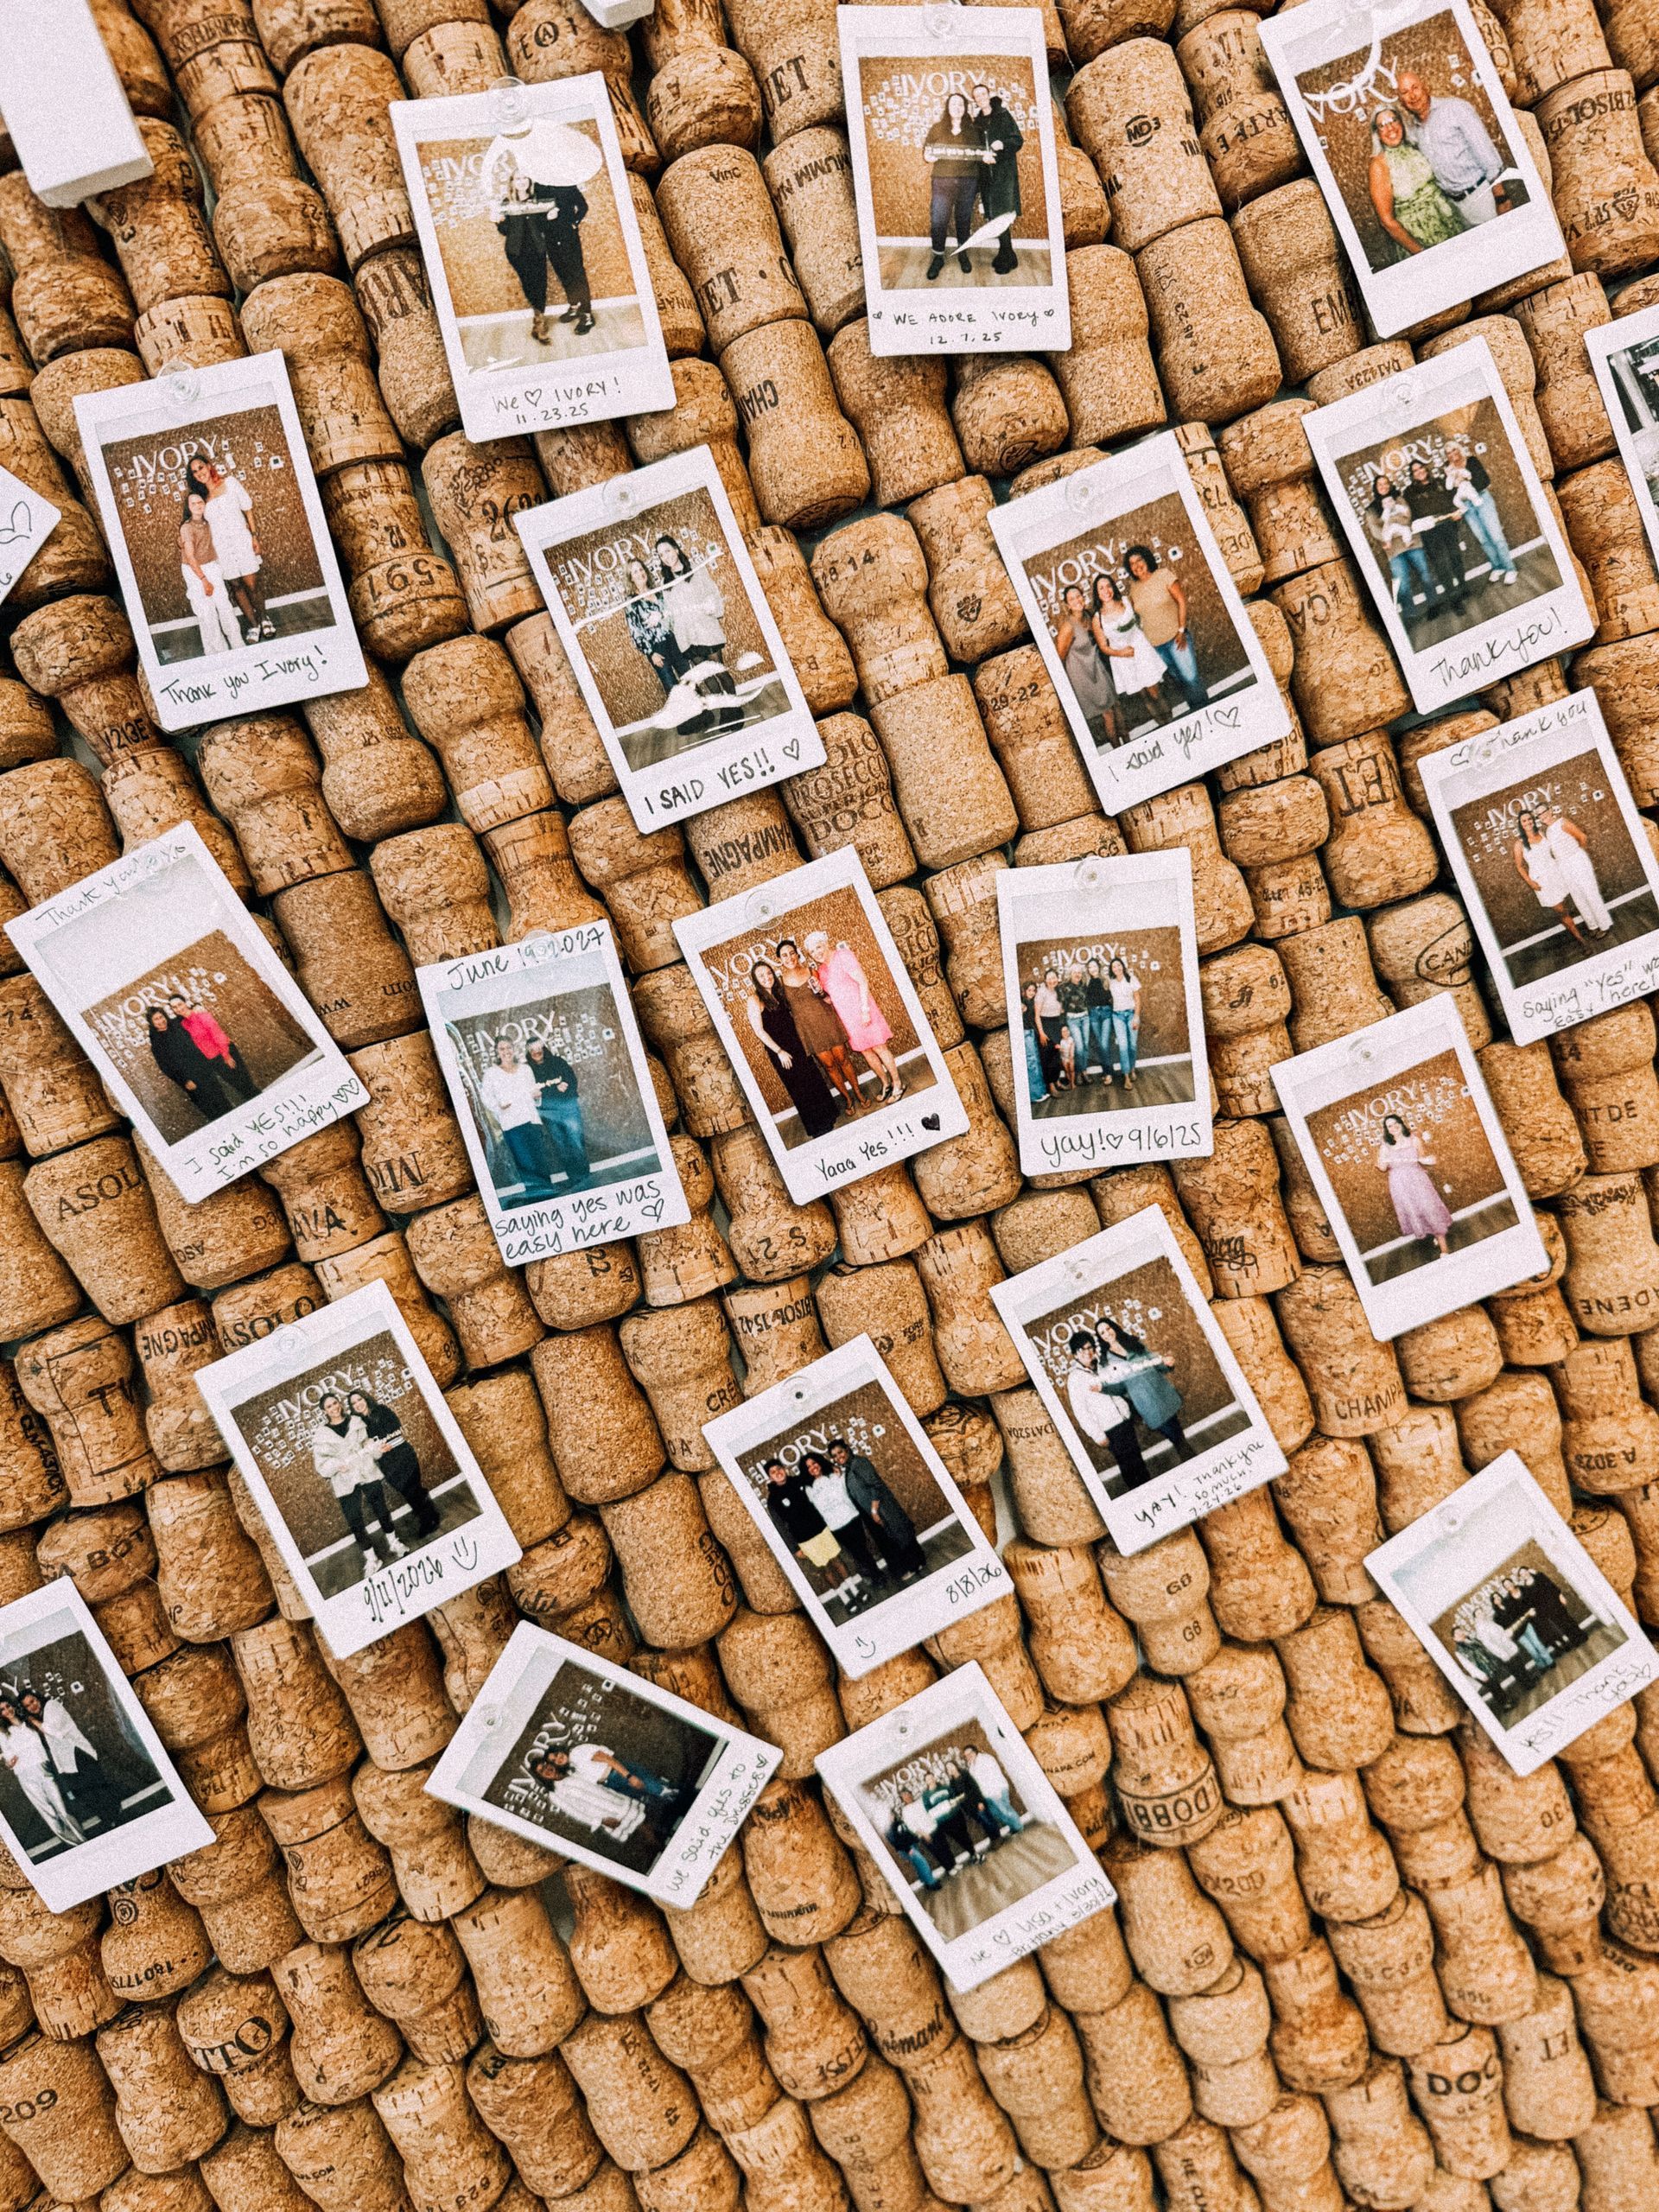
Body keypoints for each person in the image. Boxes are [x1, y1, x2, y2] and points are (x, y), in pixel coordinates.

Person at [483, 115, 600, 343]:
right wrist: (499, 219)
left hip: (567, 236)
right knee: (562, 273)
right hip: (549, 241)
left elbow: (582, 207)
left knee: (576, 273)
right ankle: (574, 306)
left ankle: (586, 314)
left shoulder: (567, 183)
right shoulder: (539, 188)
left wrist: (570, 221)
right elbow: (521, 220)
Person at [1398, 68, 1508, 228]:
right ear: (1401, 101)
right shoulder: (1415, 130)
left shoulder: (1455, 109)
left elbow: (1485, 152)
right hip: (1456, 208)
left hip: (1483, 197)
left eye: (1415, 88)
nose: (1413, 96)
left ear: (1425, 87)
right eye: (1405, 92)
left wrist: (1501, 197)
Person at [805, 930, 904, 1103]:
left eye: (818, 947)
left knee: (880, 1047)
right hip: (848, 1019)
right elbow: (831, 999)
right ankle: (886, 1084)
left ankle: (898, 1084)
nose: (817, 953)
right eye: (812, 951)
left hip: (863, 1010)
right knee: (866, 1052)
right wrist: (820, 993)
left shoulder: (843, 956)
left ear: (826, 944)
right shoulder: (822, 971)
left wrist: (865, 1010)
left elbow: (863, 981)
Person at [747, 960, 841, 1139]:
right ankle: (817, 1127)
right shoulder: (754, 999)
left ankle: (829, 1115)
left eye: (768, 973)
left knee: (812, 1080)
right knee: (799, 1088)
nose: (767, 977)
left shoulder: (779, 992)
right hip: (781, 1051)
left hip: (797, 1044)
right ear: (756, 980)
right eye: (761, 976)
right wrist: (779, 1052)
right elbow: (759, 1031)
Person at [311, 1392, 403, 1568]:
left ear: (339, 1404)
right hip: (344, 1480)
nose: (334, 1408)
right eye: (329, 1406)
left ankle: (394, 1543)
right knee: (354, 1520)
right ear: (324, 1411)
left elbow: (367, 1443)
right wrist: (337, 1465)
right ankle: (372, 1559)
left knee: (381, 1509)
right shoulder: (321, 1435)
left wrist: (375, 1448)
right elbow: (321, 1463)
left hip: (366, 1470)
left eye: (335, 1403)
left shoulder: (356, 1422)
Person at [656, 534, 739, 727]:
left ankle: (735, 707)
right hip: (686, 637)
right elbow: (669, 614)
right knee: (707, 676)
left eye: (667, 551)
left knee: (719, 671)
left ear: (676, 549)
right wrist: (660, 619)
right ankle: (725, 711)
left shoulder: (697, 570)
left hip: (706, 631)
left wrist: (711, 605)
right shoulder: (665, 584)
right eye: (661, 555)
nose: (666, 556)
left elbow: (712, 593)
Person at [775, 938, 862, 1116]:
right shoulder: (780, 983)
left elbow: (825, 996)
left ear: (797, 954)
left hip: (827, 1021)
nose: (789, 958)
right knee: (829, 1066)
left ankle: (858, 1093)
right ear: (779, 959)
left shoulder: (811, 971)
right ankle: (848, 1099)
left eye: (792, 953)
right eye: (784, 955)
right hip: (808, 1029)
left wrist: (821, 991)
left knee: (843, 1059)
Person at [1367, 102, 1466, 257]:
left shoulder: (1415, 147)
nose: (1390, 128)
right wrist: (1421, 252)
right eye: (1382, 125)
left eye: (1393, 120)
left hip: (1449, 222)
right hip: (1418, 238)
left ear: (1401, 123)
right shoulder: (1378, 165)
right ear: (1377, 133)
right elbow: (1387, 221)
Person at [186, 455, 267, 644]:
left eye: (201, 467)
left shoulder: (230, 483)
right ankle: (254, 624)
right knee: (236, 586)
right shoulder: (200, 498)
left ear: (208, 466)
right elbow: (196, 523)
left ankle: (264, 619)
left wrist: (254, 536)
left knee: (252, 585)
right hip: (220, 549)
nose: (199, 473)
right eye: (195, 472)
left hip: (242, 541)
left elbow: (248, 509)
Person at [536, 1741, 682, 1847]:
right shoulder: (555, 1794)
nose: (548, 1768)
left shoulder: (574, 1761)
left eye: (548, 1764)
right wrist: (600, 1821)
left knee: (646, 1817)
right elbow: (575, 1812)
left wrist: (628, 1777)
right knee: (643, 1831)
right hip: (604, 1813)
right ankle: (666, 1847)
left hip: (616, 1796)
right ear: (541, 1777)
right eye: (543, 1770)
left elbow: (605, 1759)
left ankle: (676, 1831)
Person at [20, 1689, 124, 1835]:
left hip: (78, 1752)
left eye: (33, 1701)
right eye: (27, 1706)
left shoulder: (51, 1706)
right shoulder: (40, 1718)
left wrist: (36, 1722)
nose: (32, 1706)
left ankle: (116, 1818)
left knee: (96, 1788)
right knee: (84, 1794)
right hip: (66, 1762)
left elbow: (56, 1732)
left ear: (38, 1698)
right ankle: (109, 1820)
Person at [348, 1387, 442, 1545]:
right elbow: (367, 1446)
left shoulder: (382, 1411)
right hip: (387, 1463)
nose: (358, 1404)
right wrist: (375, 1448)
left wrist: (386, 1444)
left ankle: (429, 1519)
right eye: (354, 1403)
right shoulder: (360, 1424)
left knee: (414, 1489)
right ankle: (429, 1516)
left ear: (365, 1399)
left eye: (359, 1399)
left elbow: (398, 1430)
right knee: (406, 1492)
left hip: (403, 1455)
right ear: (352, 1408)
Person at [761, 1457, 861, 1599]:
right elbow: (780, 1527)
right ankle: (845, 1599)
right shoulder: (772, 1500)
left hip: (822, 1529)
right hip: (805, 1540)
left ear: (784, 1469)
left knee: (837, 1561)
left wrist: (832, 1469)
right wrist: (794, 1548)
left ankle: (855, 1591)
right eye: (773, 1472)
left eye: (779, 1469)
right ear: (770, 1477)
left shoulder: (799, 1480)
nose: (778, 1473)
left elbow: (817, 1473)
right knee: (825, 1568)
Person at [829, 1436, 926, 1581]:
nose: (839, 1457)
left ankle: (913, 1566)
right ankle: (912, 1565)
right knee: (890, 1540)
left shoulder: (859, 1463)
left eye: (840, 1452)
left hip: (880, 1509)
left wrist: (874, 1511)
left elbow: (875, 1485)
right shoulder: (849, 1469)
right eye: (835, 1456)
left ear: (847, 1449)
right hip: (870, 1512)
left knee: (896, 1536)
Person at [1096, 1316, 1191, 1465]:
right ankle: (1191, 1460)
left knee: (1179, 1436)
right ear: (1100, 1337)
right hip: (1146, 1404)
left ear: (1114, 1327)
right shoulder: (1106, 1361)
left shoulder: (1133, 1343)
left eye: (1108, 1328)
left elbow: (1155, 1363)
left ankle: (1190, 1460)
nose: (1107, 1333)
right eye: (1102, 1332)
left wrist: (1168, 1364)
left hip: (1162, 1393)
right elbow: (1120, 1388)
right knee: (1176, 1438)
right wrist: (1103, 1388)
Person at [1125, 546, 1208, 714]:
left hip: (1176, 638)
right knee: (1179, 680)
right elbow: (1137, 615)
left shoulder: (1163, 575)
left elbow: (1181, 601)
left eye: (1139, 560)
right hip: (1156, 646)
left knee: (1190, 678)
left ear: (1147, 559)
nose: (1136, 565)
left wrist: (1181, 630)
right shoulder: (1134, 588)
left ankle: (1206, 711)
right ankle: (1196, 711)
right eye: (1132, 564)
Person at [1512, 807, 1613, 944]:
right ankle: (1593, 926)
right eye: (1539, 815)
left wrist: (1577, 855)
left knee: (1590, 893)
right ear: (1521, 824)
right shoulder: (1544, 832)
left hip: (1574, 862)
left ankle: (1604, 925)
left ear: (1550, 811)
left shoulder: (1561, 823)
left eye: (1530, 818)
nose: (1542, 816)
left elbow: (1582, 838)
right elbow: (1520, 865)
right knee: (1578, 897)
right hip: (1559, 869)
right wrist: (1530, 882)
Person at [1065, 1330, 1151, 1490]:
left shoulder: (1102, 1365)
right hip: (1109, 1429)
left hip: (1124, 1420)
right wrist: (1097, 1435)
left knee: (1138, 1459)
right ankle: (1138, 1493)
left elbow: (1118, 1387)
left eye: (1089, 1347)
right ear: (1075, 1355)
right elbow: (1081, 1412)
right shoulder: (1075, 1379)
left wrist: (1127, 1411)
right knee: (1127, 1465)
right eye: (1081, 1350)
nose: (1087, 1353)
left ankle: (1150, 1489)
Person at [0, 1697, 84, 1851]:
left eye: (8, 1706)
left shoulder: (28, 1722)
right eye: (2, 1710)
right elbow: (7, 1756)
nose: (7, 1710)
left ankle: (82, 1840)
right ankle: (73, 1844)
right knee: (48, 1813)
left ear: (13, 1706)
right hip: (25, 1774)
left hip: (43, 1769)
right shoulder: (3, 1733)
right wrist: (9, 1762)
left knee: (61, 1808)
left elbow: (49, 1733)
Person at [1090, 571, 1172, 730]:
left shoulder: (1127, 601)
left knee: (1155, 691)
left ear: (1113, 587)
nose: (1106, 591)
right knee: (1143, 695)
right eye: (1101, 588)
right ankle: (1163, 727)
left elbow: (1143, 616)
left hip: (1141, 650)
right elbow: (1103, 647)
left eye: (1108, 586)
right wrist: (1121, 653)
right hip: (1122, 659)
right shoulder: (1097, 618)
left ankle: (1171, 723)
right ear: (1097, 593)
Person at [800, 1449, 887, 1589]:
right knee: (856, 1552)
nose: (813, 1467)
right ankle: (873, 1574)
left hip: (851, 1517)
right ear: (806, 1471)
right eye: (808, 1467)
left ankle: (876, 1576)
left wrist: (837, 1471)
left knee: (862, 1549)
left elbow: (846, 1492)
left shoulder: (835, 1475)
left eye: (814, 1463)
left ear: (820, 1463)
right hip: (835, 1526)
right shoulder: (808, 1489)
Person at [922, 92, 985, 281]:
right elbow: (927, 153)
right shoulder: (937, 128)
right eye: (953, 104)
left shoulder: (974, 130)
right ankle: (938, 258)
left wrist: (987, 156)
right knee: (938, 220)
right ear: (947, 108)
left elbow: (980, 155)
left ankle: (963, 254)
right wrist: (929, 156)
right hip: (942, 182)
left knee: (963, 220)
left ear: (965, 108)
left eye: (960, 105)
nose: (957, 108)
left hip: (968, 181)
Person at [480, 1036, 557, 1192]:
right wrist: (498, 1106)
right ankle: (536, 1193)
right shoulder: (491, 1073)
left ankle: (548, 1189)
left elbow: (534, 1091)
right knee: (524, 1161)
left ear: (514, 1049)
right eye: (502, 1049)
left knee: (539, 1157)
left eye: (509, 1047)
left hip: (531, 1119)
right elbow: (486, 1098)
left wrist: (537, 1096)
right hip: (511, 1123)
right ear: (497, 1052)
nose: (506, 1051)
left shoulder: (525, 1069)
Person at [146, 1005, 242, 1124]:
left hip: (204, 1071)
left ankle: (236, 1124)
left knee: (222, 1100)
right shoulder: (157, 1043)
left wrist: (197, 1007)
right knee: (210, 1108)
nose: (161, 1021)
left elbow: (187, 1014)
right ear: (152, 1023)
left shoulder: (177, 1026)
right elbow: (165, 1067)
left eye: (161, 1017)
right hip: (191, 1081)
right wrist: (184, 1081)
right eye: (156, 1019)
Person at [1376, 1110, 1452, 1255]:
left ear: (1401, 1124)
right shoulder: (1385, 1146)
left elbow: (1421, 1158)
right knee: (1415, 1211)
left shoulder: (1414, 1140)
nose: (1393, 1127)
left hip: (1418, 1179)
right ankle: (1436, 1234)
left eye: (1395, 1123)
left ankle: (1444, 1249)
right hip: (1399, 1184)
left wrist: (1428, 1160)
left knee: (1430, 1208)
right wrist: (1380, 1161)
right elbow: (1383, 1167)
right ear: (1387, 1130)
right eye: (1389, 1126)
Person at [1055, 582, 1121, 747]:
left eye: (1078, 596)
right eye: (1072, 599)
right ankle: (1118, 749)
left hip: (1096, 668)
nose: (1077, 600)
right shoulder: (1068, 627)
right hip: (1081, 674)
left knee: (1115, 706)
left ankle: (1126, 743)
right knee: (1108, 712)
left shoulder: (1089, 617)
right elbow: (1059, 657)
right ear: (1067, 605)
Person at [179, 487, 243, 655]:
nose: (198, 506)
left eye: (200, 502)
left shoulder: (209, 522)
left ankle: (237, 644)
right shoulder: (186, 528)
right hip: (194, 572)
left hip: (212, 566)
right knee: (207, 613)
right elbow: (190, 557)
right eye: (193, 503)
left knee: (224, 607)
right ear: (188, 507)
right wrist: (204, 580)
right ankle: (218, 651)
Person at [1444, 443, 1516, 585]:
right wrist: (1452, 479)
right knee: (1483, 539)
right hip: (1466, 506)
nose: (1452, 454)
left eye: (1453, 450)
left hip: (1482, 499)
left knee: (1496, 537)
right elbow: (1450, 491)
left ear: (1458, 449)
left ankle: (1510, 569)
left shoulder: (1471, 461)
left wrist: (1465, 479)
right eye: (1448, 453)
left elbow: (1485, 481)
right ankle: (1498, 567)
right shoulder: (1449, 470)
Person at [969, 83, 1023, 275]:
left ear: (988, 94)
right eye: (977, 96)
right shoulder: (977, 122)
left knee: (1002, 214)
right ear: (975, 100)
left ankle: (1006, 256)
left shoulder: (1003, 115)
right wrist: (981, 157)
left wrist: (1003, 144)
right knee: (994, 215)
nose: (981, 98)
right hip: (987, 176)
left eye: (983, 94)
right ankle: (1008, 253)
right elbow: (976, 149)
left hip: (1003, 175)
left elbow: (1018, 140)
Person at [526, 1037, 591, 1188]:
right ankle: (574, 1178)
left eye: (539, 1048)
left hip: (568, 1108)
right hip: (549, 1114)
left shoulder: (558, 1062)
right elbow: (531, 1094)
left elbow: (572, 1081)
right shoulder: (527, 1071)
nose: (537, 1052)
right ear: (528, 1052)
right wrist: (556, 1089)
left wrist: (554, 1090)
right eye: (533, 1050)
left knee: (576, 1142)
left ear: (544, 1048)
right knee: (560, 1146)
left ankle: (585, 1176)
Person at [1367, 473, 1433, 615]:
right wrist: (1395, 526)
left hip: (1413, 543)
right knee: (1402, 584)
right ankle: (1410, 614)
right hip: (1394, 551)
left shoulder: (1399, 499)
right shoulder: (1372, 509)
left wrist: (1390, 526)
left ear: (1390, 485)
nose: (1384, 486)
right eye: (1380, 484)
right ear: (1375, 488)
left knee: (1425, 574)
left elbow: (1407, 519)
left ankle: (1434, 605)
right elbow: (1376, 532)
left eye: (1386, 483)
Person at [174, 994, 258, 1106]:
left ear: (185, 1003)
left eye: (180, 1004)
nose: (179, 1008)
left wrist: (226, 1056)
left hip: (225, 1053)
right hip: (214, 1060)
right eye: (174, 1007)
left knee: (246, 1085)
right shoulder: (183, 1024)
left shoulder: (201, 1015)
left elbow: (218, 1035)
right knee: (240, 1088)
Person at [1403, 458, 1466, 607]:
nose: (1419, 472)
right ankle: (1454, 599)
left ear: (1425, 468)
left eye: (1421, 468)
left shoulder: (1439, 482)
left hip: (1448, 525)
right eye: (1415, 471)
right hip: (1429, 532)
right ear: (1412, 475)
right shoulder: (1409, 492)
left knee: (1455, 556)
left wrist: (1456, 512)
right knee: (1441, 564)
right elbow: (1411, 514)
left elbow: (1451, 499)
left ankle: (1463, 587)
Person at [623, 556, 684, 702]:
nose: (640, 573)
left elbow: (672, 614)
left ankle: (703, 713)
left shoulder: (658, 591)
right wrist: (651, 653)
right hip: (656, 649)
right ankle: (685, 717)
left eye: (641, 569)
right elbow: (635, 632)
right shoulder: (632, 602)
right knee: (673, 690)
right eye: (635, 572)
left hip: (674, 641)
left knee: (688, 680)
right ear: (631, 578)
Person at [963, 1746, 1024, 1838]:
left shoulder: (986, 1759)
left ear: (975, 1751)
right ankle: (1013, 1827)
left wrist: (997, 1792)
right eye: (966, 1755)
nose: (968, 1756)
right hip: (987, 1795)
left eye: (970, 1753)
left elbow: (995, 1775)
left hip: (997, 1790)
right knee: (997, 1813)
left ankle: (1019, 1827)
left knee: (1005, 1811)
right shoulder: (971, 1767)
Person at [894, 1791, 947, 1888]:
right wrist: (923, 1834)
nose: (907, 1797)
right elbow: (911, 1826)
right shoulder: (905, 1811)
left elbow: (930, 1812)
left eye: (907, 1794)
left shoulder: (920, 1801)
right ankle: (949, 1868)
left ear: (911, 1794)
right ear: (902, 1800)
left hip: (934, 1827)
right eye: (904, 1797)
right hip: (925, 1834)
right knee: (937, 1852)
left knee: (945, 1847)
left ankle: (953, 1864)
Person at [1103, 955, 1141, 1090]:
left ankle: (1132, 1069)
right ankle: (1126, 1077)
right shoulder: (1111, 982)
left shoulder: (1131, 979)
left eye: (1119, 965)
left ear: (1123, 966)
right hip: (1117, 1016)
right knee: (1123, 1047)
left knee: (1132, 1045)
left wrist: (1136, 1017)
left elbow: (1138, 999)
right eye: (1114, 966)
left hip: (1131, 1014)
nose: (1117, 968)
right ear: (1112, 970)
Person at [1035, 968, 1071, 1088]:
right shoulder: (1041, 993)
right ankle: (1051, 1086)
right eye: (1049, 978)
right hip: (1045, 1025)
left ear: (1057, 979)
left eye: (1054, 978)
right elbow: (1037, 1016)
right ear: (1045, 980)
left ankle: (1057, 1082)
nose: (1052, 980)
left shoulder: (1058, 991)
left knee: (1056, 1055)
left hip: (1056, 1024)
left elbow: (1061, 1010)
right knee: (1047, 1056)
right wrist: (1041, 1033)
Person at [1058, 962, 1093, 1081]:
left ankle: (1083, 1072)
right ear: (1070, 974)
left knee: (1085, 1046)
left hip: (1085, 1018)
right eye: (1075, 972)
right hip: (1072, 1020)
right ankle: (1079, 1072)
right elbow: (1062, 1006)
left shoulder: (1084, 986)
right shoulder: (1064, 987)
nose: (1078, 975)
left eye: (1079, 973)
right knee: (1079, 1047)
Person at [1020, 981, 1050, 1106]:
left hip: (1031, 1033)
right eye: (1029, 990)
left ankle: (1041, 1092)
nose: (1032, 993)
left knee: (1036, 1062)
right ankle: (1035, 1095)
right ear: (1024, 991)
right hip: (1026, 1033)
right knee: (1032, 1063)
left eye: (1033, 990)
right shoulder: (1022, 1003)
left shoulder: (1033, 1002)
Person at [1084, 958, 1113, 1082]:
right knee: (1100, 1044)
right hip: (1094, 1015)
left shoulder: (1106, 980)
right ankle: (1106, 1071)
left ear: (1099, 967)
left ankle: (1108, 1073)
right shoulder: (1086, 982)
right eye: (1090, 967)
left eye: (1094, 966)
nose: (1092, 969)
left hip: (1106, 1013)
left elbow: (1113, 997)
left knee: (1104, 1044)